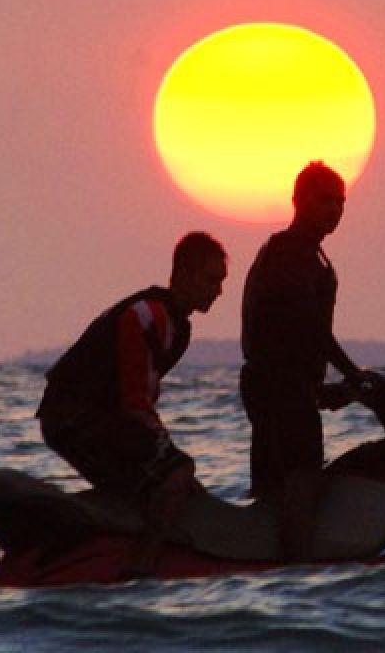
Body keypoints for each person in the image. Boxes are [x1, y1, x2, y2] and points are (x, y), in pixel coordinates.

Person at [35, 232, 227, 576]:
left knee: (160, 479)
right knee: (176, 473)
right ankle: (143, 569)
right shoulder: (148, 315)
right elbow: (135, 401)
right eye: (211, 279)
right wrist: (170, 457)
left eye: (221, 281)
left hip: (92, 417)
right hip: (73, 417)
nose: (218, 290)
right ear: (184, 274)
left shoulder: (178, 327)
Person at [239, 161, 369, 561]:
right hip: (277, 388)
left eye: (340, 202)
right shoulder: (288, 252)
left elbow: (303, 337)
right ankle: (293, 567)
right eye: (324, 200)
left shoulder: (314, 257)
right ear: (298, 201)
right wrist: (353, 375)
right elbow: (307, 327)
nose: (334, 210)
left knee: (279, 484)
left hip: (292, 387)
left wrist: (325, 387)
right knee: (299, 479)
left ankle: (270, 562)